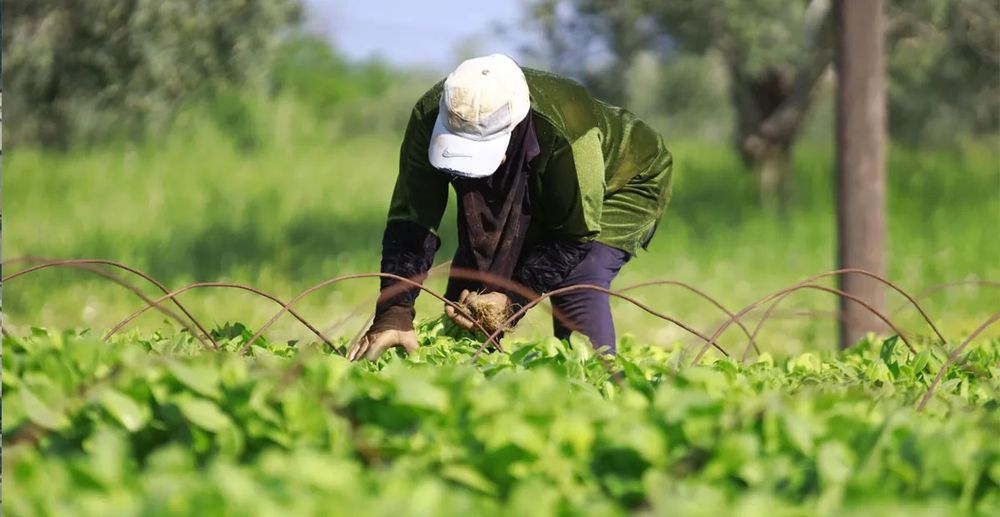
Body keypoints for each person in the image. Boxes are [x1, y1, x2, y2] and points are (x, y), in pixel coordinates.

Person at [347, 54, 673, 362]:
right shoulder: (430, 115)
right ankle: (470, 378)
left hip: (626, 180)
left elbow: (573, 236)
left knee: (578, 279)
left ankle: (599, 382)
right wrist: (394, 311)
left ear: (514, 129)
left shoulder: (570, 133)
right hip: (543, 177)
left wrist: (513, 298)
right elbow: (412, 220)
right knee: (474, 287)